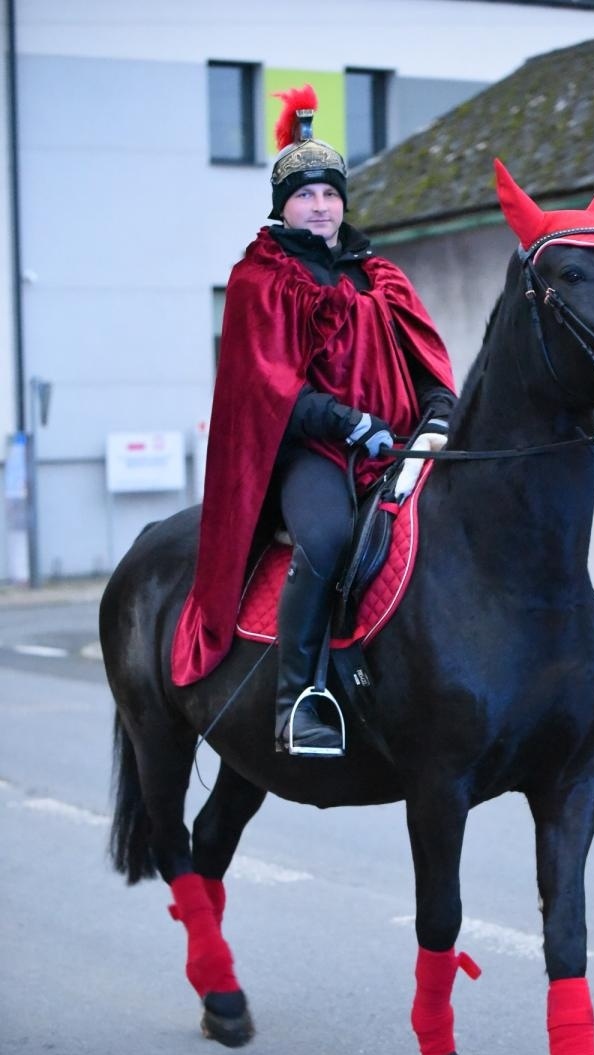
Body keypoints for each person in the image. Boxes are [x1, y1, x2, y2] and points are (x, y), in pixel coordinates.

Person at [171, 84, 457, 756]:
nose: (320, 205)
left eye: (329, 193)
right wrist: (347, 421)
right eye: (305, 195)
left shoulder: (377, 276)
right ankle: (297, 699)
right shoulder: (259, 279)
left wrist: (439, 408)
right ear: (284, 206)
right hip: (309, 452)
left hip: (397, 446)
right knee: (326, 540)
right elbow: (264, 387)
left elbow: (423, 358)